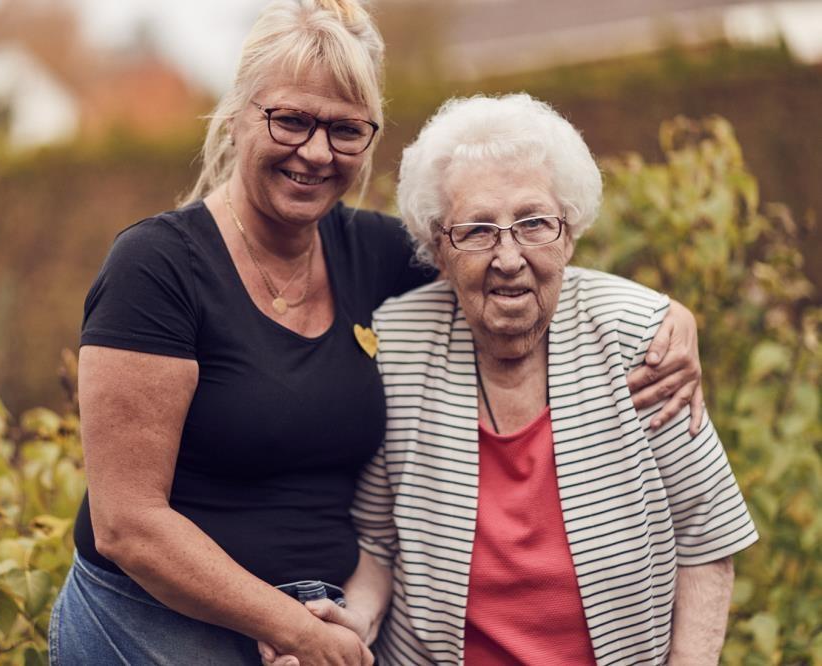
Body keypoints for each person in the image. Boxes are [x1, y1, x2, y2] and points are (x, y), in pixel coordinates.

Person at [49, 2, 706, 664]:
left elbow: (509, 263)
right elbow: (128, 525)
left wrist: (666, 319)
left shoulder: (377, 255)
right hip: (158, 625)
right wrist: (295, 629)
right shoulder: (156, 268)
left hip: (329, 619)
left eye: (345, 130)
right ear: (239, 114)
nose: (315, 152)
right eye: (291, 120)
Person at [295, 94, 756, 665]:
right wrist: (352, 623)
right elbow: (378, 545)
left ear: (569, 233)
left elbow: (706, 537)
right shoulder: (398, 344)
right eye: (478, 230)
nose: (509, 257)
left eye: (534, 223)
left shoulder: (639, 337)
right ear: (439, 246)